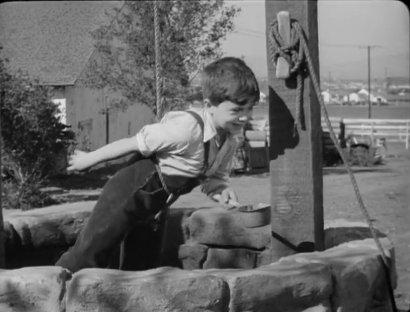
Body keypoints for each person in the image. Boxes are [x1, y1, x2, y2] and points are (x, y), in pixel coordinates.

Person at [55, 57, 260, 272]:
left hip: (155, 206)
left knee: (143, 266)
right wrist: (89, 159)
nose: (245, 117)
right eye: (237, 111)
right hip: (127, 194)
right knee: (90, 254)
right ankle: (51, 289)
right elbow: (131, 143)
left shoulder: (230, 140)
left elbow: (211, 178)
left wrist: (221, 190)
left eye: (250, 109)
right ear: (209, 105)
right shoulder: (187, 128)